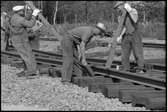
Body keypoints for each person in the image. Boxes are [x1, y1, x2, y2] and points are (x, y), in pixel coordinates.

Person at [9, 5, 40, 78]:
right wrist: (34, 15)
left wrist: (30, 14)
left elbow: (25, 19)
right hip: (22, 40)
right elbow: (30, 24)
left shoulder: (14, 17)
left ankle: (26, 70)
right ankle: (32, 72)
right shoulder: (20, 19)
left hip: (16, 39)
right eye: (22, 11)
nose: (23, 12)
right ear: (18, 11)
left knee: (23, 55)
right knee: (28, 55)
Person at [114, 2, 145, 73]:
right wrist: (120, 36)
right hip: (126, 35)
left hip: (135, 34)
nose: (117, 10)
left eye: (118, 8)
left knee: (137, 51)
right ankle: (126, 69)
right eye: (116, 9)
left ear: (122, 6)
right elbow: (124, 26)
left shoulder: (133, 10)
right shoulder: (120, 16)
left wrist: (129, 10)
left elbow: (135, 20)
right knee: (124, 53)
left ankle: (140, 68)